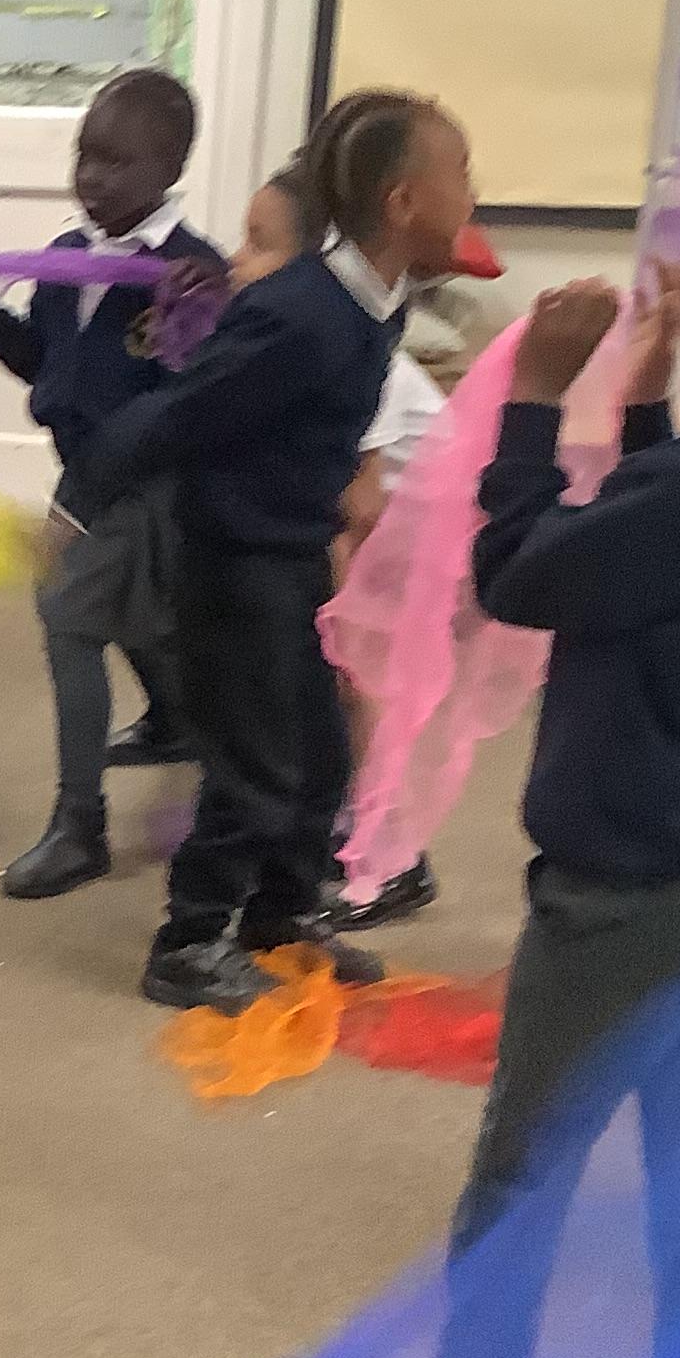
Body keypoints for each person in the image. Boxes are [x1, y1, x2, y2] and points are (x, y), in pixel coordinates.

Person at [396, 158, 680, 1358]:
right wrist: (642, 414)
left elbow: (524, 574)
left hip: (623, 892)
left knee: (533, 1150)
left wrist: (531, 401)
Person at [69, 89, 478, 1012]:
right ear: (403, 203)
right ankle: (188, 942)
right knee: (254, 765)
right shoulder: (302, 312)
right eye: (460, 175)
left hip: (295, 554)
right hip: (236, 564)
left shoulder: (375, 305)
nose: (473, 194)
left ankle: (279, 917)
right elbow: (187, 411)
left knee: (320, 754)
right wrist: (83, 498)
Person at [0, 69, 225, 901]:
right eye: (86, 156)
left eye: (118, 161)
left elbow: (174, 412)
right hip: (86, 473)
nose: (93, 177)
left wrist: (75, 508)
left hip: (149, 487)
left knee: (69, 616)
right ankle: (176, 721)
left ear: (170, 168)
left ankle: (80, 827)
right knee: (137, 615)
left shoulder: (192, 274)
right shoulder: (67, 258)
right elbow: (46, 366)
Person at [235, 160, 451, 932]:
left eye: (258, 244)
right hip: (378, 511)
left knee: (357, 680)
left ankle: (393, 859)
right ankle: (338, 826)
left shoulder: (346, 345)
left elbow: (361, 504)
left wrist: (336, 607)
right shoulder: (303, 332)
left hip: (420, 519)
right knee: (330, 678)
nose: (235, 261)